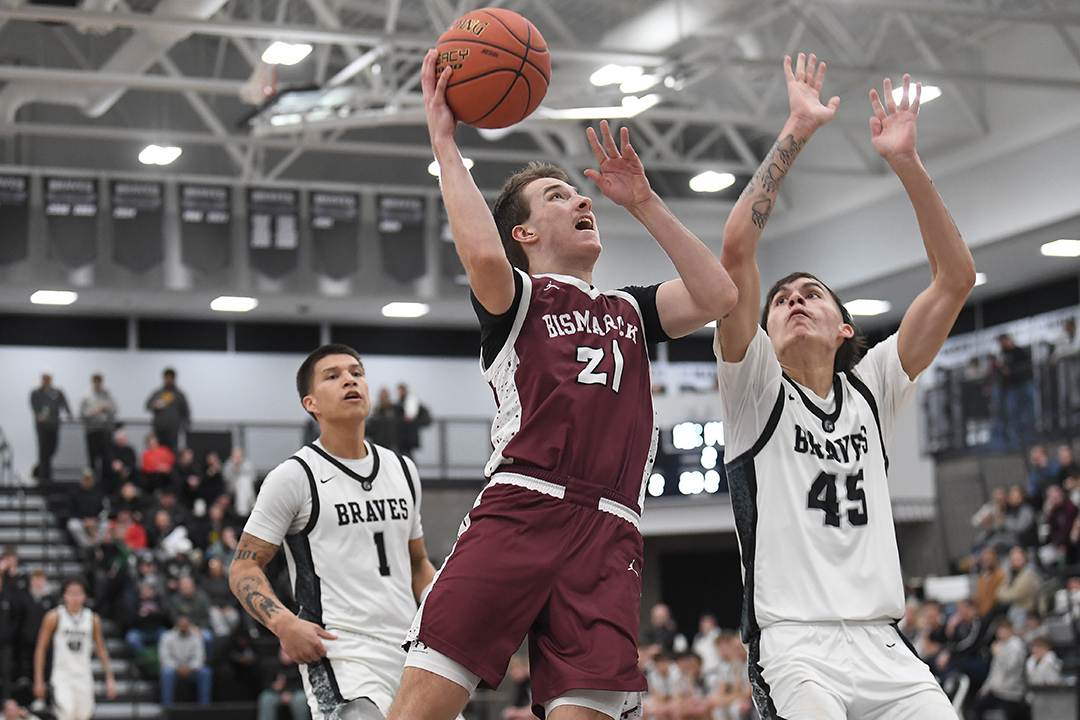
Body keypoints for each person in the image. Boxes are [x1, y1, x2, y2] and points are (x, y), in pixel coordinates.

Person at [388, 48, 737, 720]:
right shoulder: (517, 297)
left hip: (611, 532)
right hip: (523, 507)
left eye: (577, 193)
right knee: (418, 712)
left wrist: (644, 201)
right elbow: (482, 252)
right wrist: (444, 141)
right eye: (557, 195)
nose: (580, 198)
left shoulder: (630, 308)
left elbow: (718, 294)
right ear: (523, 231)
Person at [713, 53, 975, 719]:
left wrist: (906, 163)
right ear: (765, 333)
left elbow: (955, 280)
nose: (794, 302)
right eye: (781, 301)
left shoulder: (871, 390)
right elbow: (736, 252)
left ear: (844, 328)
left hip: (884, 645)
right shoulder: (754, 392)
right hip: (795, 645)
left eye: (811, 295)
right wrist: (797, 129)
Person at [230, 344, 438, 720]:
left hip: (413, 652)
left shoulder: (403, 469)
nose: (349, 380)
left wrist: (446, 610)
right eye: (333, 376)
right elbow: (244, 567)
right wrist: (283, 623)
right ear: (311, 404)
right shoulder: (294, 476)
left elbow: (418, 563)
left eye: (356, 373)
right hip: (341, 654)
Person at [32, 580, 116, 720]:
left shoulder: (92, 618)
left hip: (84, 675)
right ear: (64, 596)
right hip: (62, 675)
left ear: (85, 596)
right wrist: (38, 679)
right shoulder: (54, 616)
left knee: (84, 715)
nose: (75, 597)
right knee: (67, 712)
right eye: (71, 593)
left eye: (78, 593)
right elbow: (41, 649)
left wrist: (109, 677)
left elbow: (101, 649)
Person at [970, 620, 1027, 720]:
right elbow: (994, 670)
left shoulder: (1016, 646)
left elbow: (1011, 668)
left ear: (1010, 630)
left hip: (1011, 691)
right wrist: (985, 688)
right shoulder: (1000, 645)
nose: (1000, 634)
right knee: (977, 708)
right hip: (997, 689)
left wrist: (999, 654)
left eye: (1003, 631)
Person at [158, 615, 212, 706]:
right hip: (174, 669)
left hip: (192, 669)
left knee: (205, 672)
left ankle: (204, 706)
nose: (183, 628)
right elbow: (164, 657)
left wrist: (190, 667)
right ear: (177, 626)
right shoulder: (167, 637)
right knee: (166, 672)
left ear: (189, 626)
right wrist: (177, 667)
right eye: (181, 625)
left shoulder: (196, 637)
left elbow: (200, 657)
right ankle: (168, 706)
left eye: (186, 626)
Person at [29, 373, 70, 484]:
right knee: (43, 451)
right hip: (42, 427)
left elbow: (65, 404)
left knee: (53, 449)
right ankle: (44, 477)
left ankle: (41, 470)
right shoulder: (36, 393)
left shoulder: (57, 392)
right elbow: (34, 406)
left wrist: (70, 415)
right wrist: (39, 415)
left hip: (54, 425)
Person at [78, 374, 117, 482]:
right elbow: (82, 414)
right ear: (93, 382)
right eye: (96, 381)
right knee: (92, 458)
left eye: (99, 381)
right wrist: (94, 412)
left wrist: (106, 408)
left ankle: (105, 481)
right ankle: (92, 481)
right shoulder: (86, 397)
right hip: (92, 430)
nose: (98, 383)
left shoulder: (107, 396)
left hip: (106, 430)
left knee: (106, 458)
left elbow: (115, 410)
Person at [258, 646, 310, 720]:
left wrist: (290, 691)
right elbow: (266, 682)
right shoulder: (274, 666)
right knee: (266, 698)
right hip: (278, 694)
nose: (285, 655)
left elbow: (304, 683)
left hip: (295, 693)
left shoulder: (300, 666)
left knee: (300, 699)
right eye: (283, 653)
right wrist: (274, 686)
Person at [145, 368, 190, 451]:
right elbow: (147, 406)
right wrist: (153, 406)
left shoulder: (179, 395)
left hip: (173, 430)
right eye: (167, 377)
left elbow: (186, 412)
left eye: (170, 377)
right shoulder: (158, 393)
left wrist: (184, 427)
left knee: (172, 451)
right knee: (158, 451)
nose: (168, 380)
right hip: (159, 428)